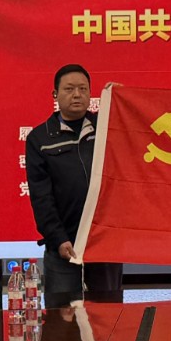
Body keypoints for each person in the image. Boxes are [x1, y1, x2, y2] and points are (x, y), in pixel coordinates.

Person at [24, 64, 123, 304]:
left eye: (83, 89)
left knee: (108, 318)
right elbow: (41, 196)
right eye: (69, 89)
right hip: (63, 246)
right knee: (61, 320)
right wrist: (58, 238)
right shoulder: (40, 138)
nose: (77, 94)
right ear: (55, 94)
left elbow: (138, 134)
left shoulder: (108, 128)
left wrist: (123, 100)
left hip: (104, 243)